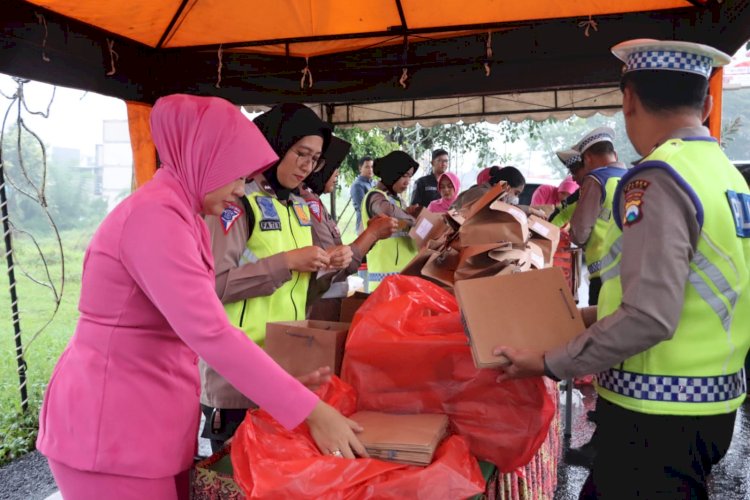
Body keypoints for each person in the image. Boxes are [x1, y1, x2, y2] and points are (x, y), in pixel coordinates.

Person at [36, 95, 366, 499]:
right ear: (204, 159)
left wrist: (283, 385)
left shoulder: (183, 214)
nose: (241, 189)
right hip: (111, 429)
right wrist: (310, 411)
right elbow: (209, 330)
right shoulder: (154, 218)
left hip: (152, 422)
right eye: (237, 176)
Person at [495, 39, 750, 499]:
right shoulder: (727, 175)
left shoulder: (661, 176)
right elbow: (686, 295)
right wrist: (563, 323)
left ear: (628, 99)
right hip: (714, 401)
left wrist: (548, 362)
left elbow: (650, 317)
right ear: (708, 102)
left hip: (655, 409)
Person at [200, 103, 350, 452]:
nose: (306, 166)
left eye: (314, 159)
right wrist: (286, 262)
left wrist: (329, 266)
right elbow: (214, 286)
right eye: (300, 153)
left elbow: (301, 288)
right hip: (238, 380)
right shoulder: (236, 203)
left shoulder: (296, 205)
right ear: (275, 145)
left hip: (286, 372)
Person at [301, 137, 398, 320]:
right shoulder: (307, 204)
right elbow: (336, 266)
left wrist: (372, 234)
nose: (337, 173)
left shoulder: (314, 201)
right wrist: (372, 234)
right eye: (333, 166)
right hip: (321, 307)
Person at [567, 127, 627, 306]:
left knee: (601, 323)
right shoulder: (631, 177)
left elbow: (580, 230)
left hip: (602, 270)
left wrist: (578, 239)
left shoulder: (596, 180)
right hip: (630, 267)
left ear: (587, 159)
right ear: (614, 154)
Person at [362, 150, 420, 290]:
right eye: (404, 176)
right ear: (393, 173)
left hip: (404, 275)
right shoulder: (376, 197)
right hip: (385, 280)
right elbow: (391, 212)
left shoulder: (398, 200)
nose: (407, 182)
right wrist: (417, 220)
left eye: (410, 176)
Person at [350, 156, 375, 233]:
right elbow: (363, 206)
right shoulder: (357, 185)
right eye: (367, 167)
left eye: (372, 167)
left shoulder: (374, 183)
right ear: (360, 168)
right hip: (364, 225)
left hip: (375, 224)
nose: (370, 169)